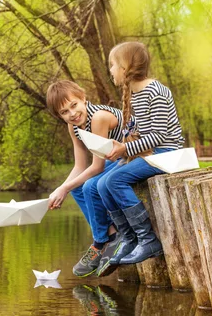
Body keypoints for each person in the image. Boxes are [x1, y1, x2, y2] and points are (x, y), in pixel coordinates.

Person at [95, 41, 184, 277]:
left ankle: (148, 239)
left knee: (115, 181)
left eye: (113, 65)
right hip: (152, 154)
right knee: (102, 183)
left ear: (125, 67)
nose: (110, 70)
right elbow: (138, 133)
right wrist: (121, 145)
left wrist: (125, 149)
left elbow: (158, 136)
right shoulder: (135, 94)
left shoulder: (155, 91)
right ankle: (129, 237)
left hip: (169, 154)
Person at [45, 80, 126, 277]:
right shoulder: (74, 128)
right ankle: (111, 233)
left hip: (132, 156)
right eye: (64, 112)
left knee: (90, 185)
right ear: (60, 116)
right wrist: (60, 189)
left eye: (74, 105)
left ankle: (100, 242)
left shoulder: (98, 118)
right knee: (77, 187)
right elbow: (80, 166)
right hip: (113, 161)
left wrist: (63, 188)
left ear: (83, 98)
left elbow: (97, 167)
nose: (72, 114)